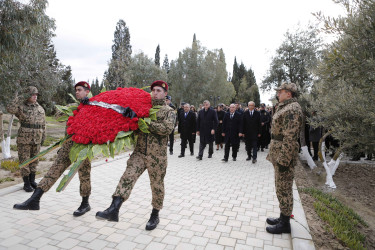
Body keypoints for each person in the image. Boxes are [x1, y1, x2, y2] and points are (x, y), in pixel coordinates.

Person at [96, 80, 175, 231]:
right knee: (127, 177)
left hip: (157, 156)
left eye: (159, 90)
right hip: (139, 153)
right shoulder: (143, 108)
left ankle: (155, 214)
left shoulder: (169, 111)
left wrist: (143, 122)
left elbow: (167, 129)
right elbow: (132, 124)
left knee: (157, 185)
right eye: (154, 90)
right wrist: (129, 116)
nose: (155, 93)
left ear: (165, 94)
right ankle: (114, 208)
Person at [13, 82, 93, 216]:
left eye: (79, 90)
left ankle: (85, 204)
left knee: (84, 176)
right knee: (52, 172)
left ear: (87, 91)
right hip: (67, 148)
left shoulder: (95, 107)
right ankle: (34, 200)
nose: (77, 92)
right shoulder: (72, 106)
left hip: (83, 148)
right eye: (76, 90)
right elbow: (57, 117)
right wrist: (71, 110)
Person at [265, 82, 303, 234]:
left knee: (284, 188)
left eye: (280, 92)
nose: (278, 94)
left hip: (284, 155)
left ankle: (285, 224)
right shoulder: (285, 107)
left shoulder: (292, 109)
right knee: (280, 187)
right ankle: (283, 217)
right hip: (278, 152)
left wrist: (284, 160)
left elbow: (290, 138)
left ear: (289, 93)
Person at [7, 86, 46, 192]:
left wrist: (43, 137)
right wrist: (18, 97)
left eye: (36, 94)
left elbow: (43, 124)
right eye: (32, 94)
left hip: (37, 139)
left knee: (34, 160)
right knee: (25, 161)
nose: (35, 96)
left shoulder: (40, 108)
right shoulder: (21, 107)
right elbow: (10, 109)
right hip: (24, 138)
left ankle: (32, 180)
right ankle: (26, 183)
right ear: (27, 95)